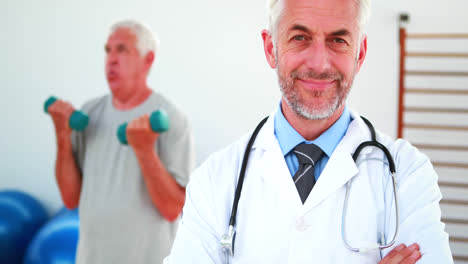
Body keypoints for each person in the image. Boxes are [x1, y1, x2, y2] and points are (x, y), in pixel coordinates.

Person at [164, 0, 453, 263]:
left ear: (360, 53)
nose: (319, 63)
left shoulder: (407, 174)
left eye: (338, 40)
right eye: (300, 38)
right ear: (270, 48)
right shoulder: (214, 181)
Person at [48, 19, 195, 263]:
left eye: (122, 50)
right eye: (108, 50)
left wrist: (145, 150)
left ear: (148, 60)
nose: (111, 59)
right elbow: (70, 198)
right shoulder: (90, 113)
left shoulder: (172, 119)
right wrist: (62, 136)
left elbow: (172, 209)